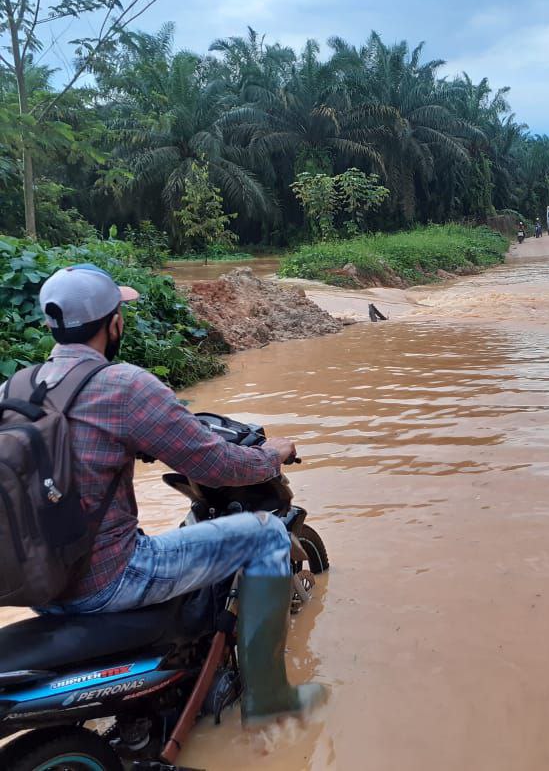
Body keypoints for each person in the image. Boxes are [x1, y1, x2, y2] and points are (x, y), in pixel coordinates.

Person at [4, 263, 326, 725]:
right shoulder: (124, 385)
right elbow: (215, 464)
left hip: (38, 583)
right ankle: (270, 700)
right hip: (111, 581)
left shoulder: (17, 388)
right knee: (266, 536)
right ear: (114, 323)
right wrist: (272, 455)